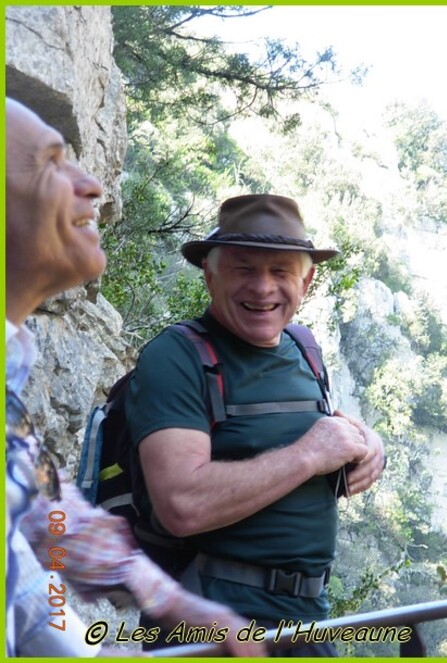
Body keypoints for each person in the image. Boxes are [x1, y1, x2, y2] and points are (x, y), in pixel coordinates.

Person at [5, 97, 265, 658]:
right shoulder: (175, 357)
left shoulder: (9, 372)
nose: (93, 184)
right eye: (51, 163)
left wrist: (172, 606)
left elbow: (32, 520)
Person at [125, 193, 386, 656]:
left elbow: (312, 444)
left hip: (306, 622)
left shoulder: (304, 348)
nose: (263, 287)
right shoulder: (178, 357)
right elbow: (181, 504)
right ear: (210, 274)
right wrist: (308, 455)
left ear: (306, 280)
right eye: (244, 268)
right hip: (209, 624)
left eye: (281, 271)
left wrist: (367, 446)